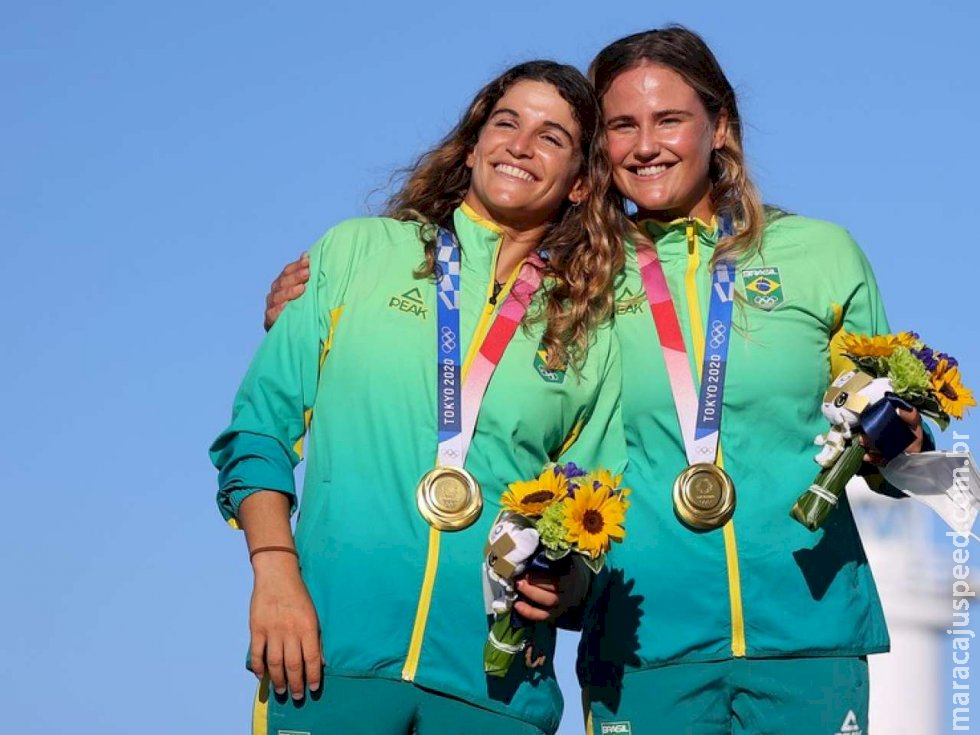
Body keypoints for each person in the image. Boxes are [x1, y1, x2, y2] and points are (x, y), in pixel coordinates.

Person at [265, 27, 928, 735]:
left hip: (809, 632)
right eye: (621, 125)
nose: (646, 145)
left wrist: (904, 443)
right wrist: (302, 313)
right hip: (640, 648)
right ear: (597, 151)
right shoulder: (578, 281)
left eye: (669, 119)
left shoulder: (823, 255)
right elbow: (456, 360)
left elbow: (883, 436)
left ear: (721, 127)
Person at [211, 60, 627, 735]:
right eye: (506, 123)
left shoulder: (586, 328)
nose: (521, 145)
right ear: (471, 145)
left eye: (552, 137)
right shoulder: (356, 255)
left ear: (581, 183)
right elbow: (258, 430)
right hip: (325, 660)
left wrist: (569, 584)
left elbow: (599, 505)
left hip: (496, 692)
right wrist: (275, 572)